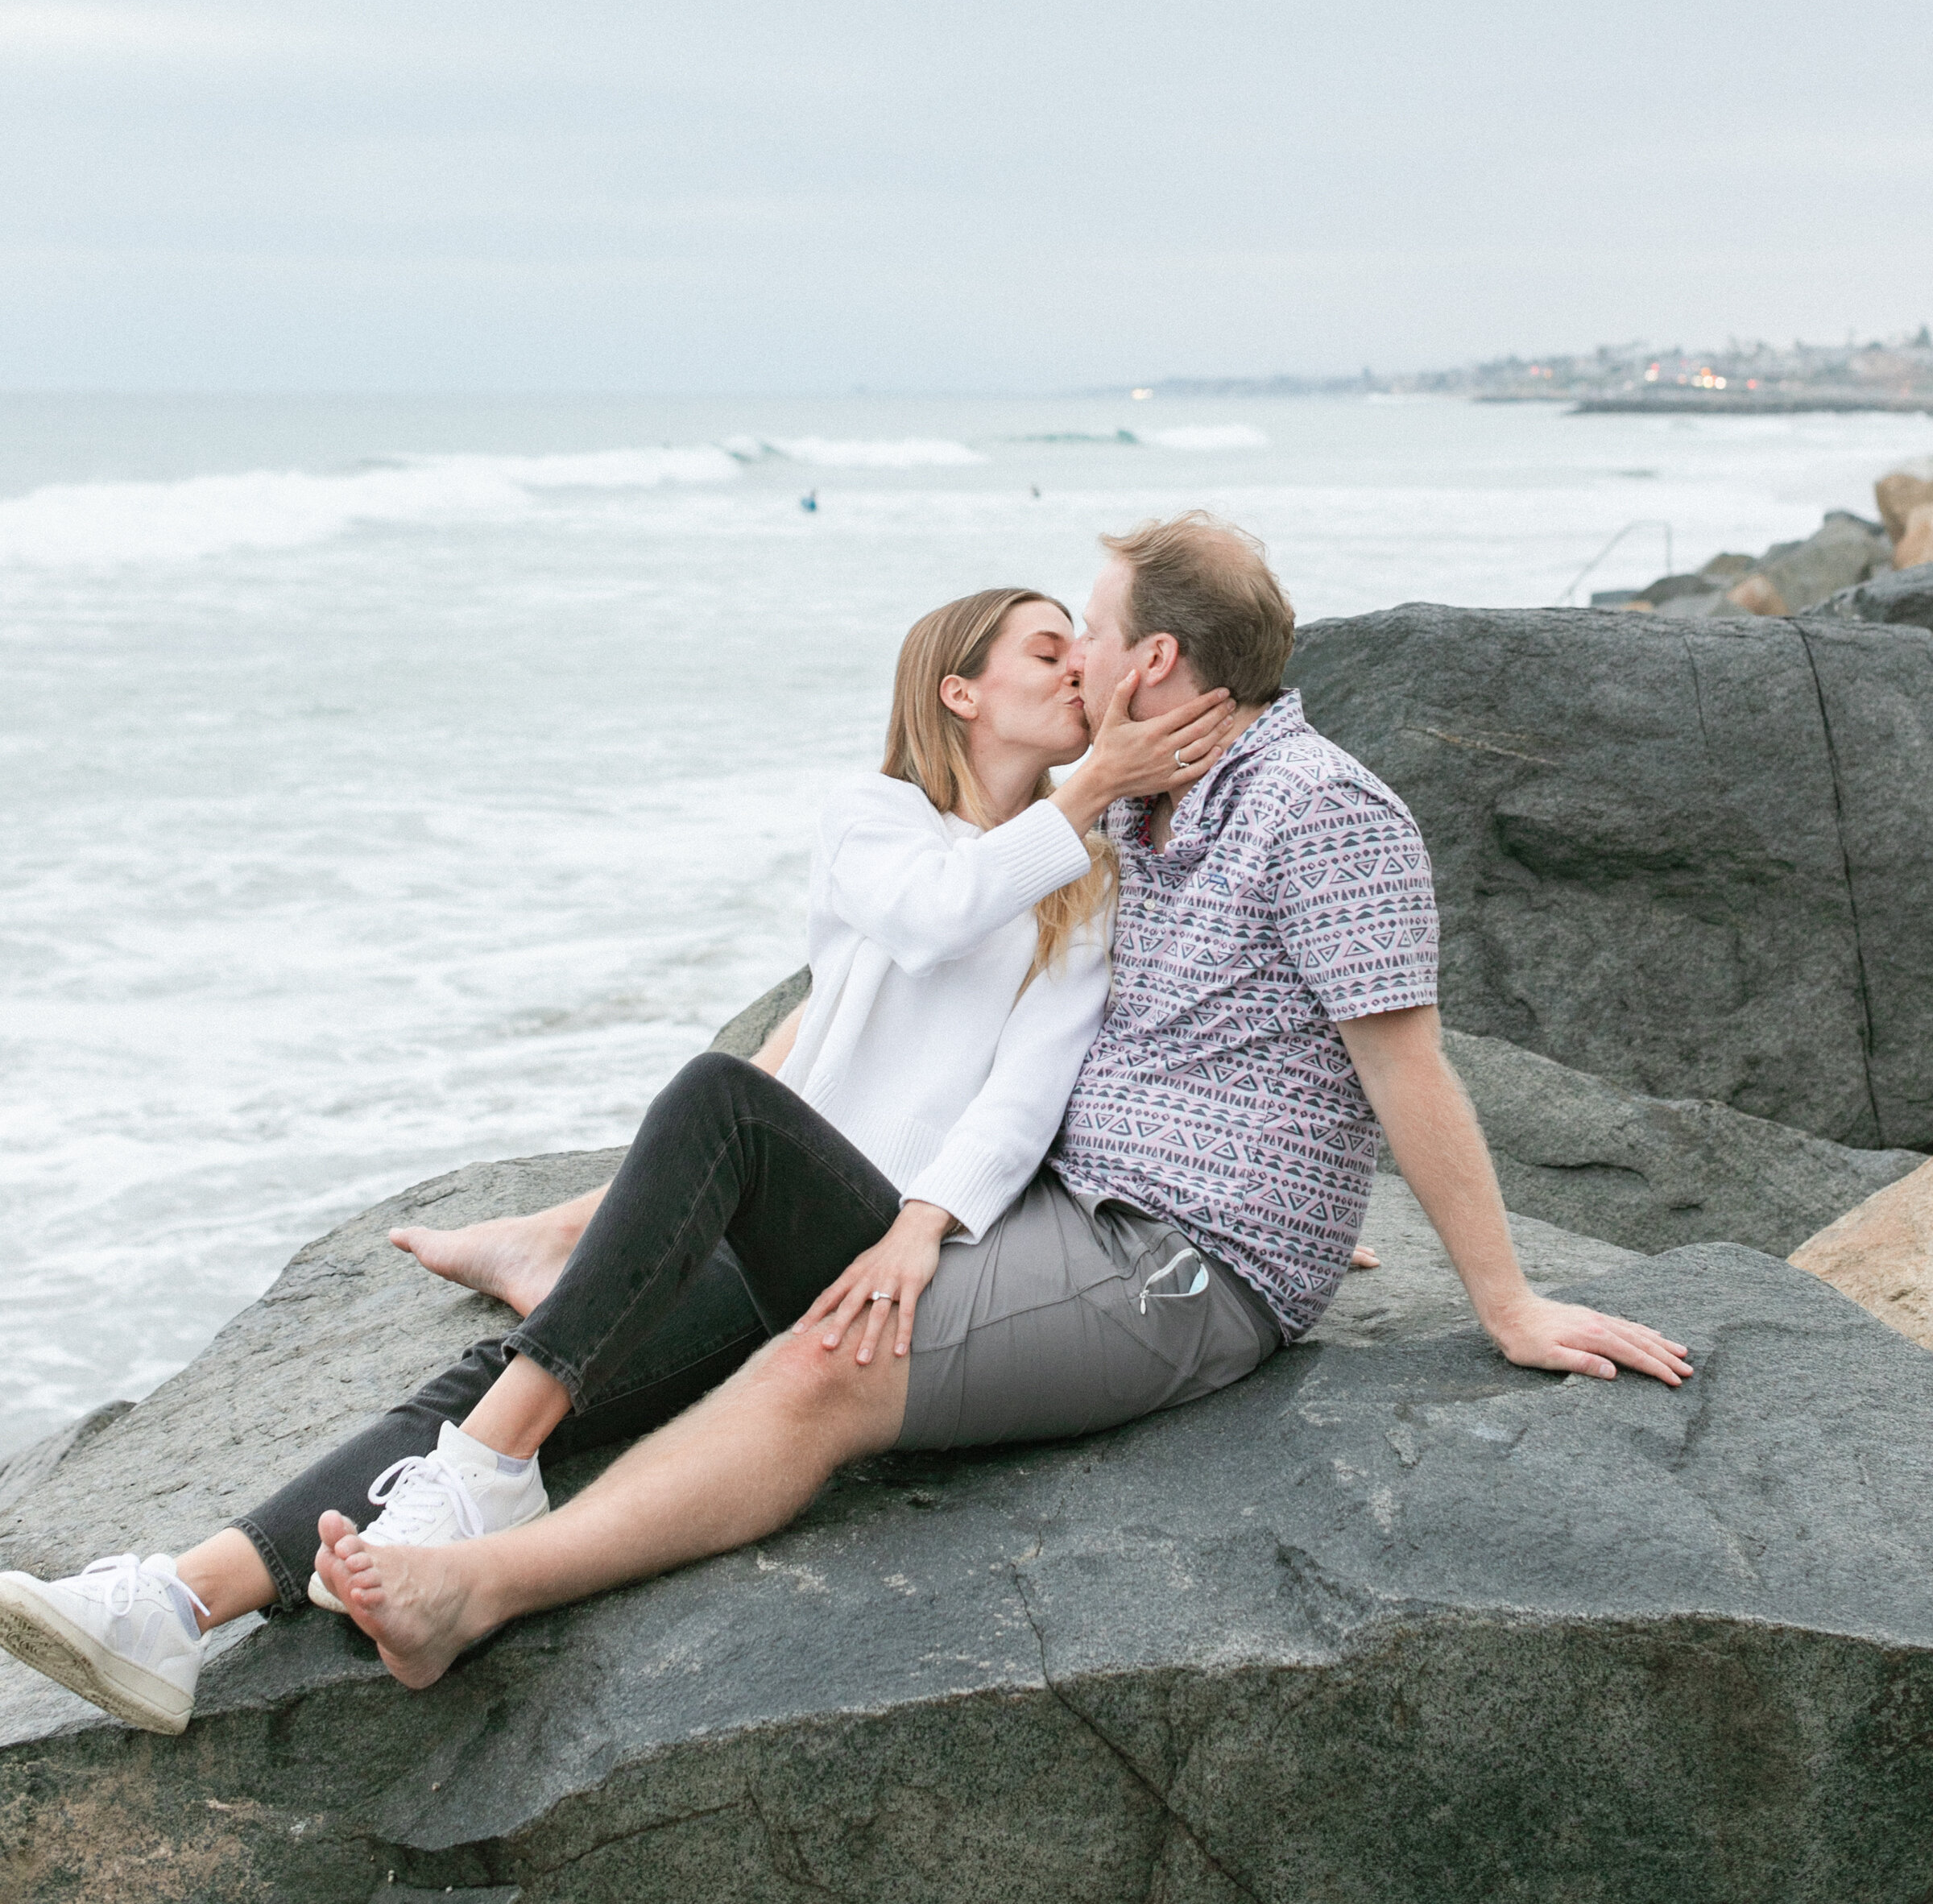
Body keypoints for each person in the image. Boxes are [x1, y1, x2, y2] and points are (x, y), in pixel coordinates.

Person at [0, 582, 1233, 1736]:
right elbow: (930, 917)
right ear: (958, 690)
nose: (1081, 665)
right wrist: (1075, 810)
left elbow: (1025, 1099)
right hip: (758, 1254)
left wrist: (928, 1226)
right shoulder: (875, 819)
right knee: (509, 1373)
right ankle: (176, 1604)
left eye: (1084, 646)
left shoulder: (1088, 883)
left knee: (719, 1099)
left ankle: (487, 1469)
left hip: (869, 1249)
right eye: (1046, 645)